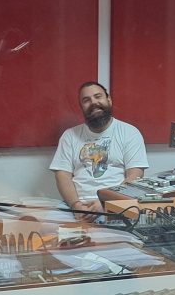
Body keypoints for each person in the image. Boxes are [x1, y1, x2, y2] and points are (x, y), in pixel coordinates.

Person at [49, 82, 148, 215]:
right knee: (43, 224)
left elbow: (135, 175)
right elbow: (62, 176)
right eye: (86, 100)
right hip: (75, 206)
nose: (93, 102)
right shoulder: (69, 136)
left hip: (116, 204)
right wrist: (76, 206)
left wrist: (106, 202)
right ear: (81, 107)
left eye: (98, 96)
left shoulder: (130, 133)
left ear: (109, 100)